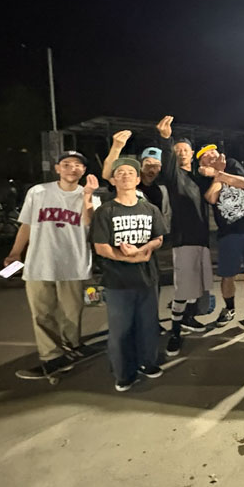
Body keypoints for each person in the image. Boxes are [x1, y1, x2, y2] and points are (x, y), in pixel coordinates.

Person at [4, 151, 100, 380]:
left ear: (83, 171)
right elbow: (26, 224)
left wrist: (87, 195)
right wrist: (15, 253)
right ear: (57, 168)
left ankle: (72, 347)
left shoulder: (90, 196)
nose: (72, 168)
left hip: (74, 263)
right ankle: (51, 356)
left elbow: (90, 223)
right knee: (42, 313)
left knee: (72, 312)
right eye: (66, 164)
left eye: (77, 165)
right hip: (39, 262)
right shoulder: (38, 192)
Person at [90, 156, 166, 391]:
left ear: (138, 179)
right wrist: (129, 257)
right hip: (117, 281)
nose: (125, 176)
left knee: (148, 326)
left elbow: (159, 238)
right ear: (113, 180)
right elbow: (101, 247)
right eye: (120, 173)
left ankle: (148, 362)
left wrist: (142, 250)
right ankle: (123, 373)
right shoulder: (105, 211)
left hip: (147, 279)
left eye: (130, 172)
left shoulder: (150, 209)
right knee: (120, 330)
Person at [156, 115, 212, 356]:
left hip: (202, 239)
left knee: (197, 286)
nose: (181, 153)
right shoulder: (173, 176)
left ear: (192, 153)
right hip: (184, 240)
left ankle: (188, 318)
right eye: (177, 150)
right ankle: (175, 331)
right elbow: (168, 160)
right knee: (182, 290)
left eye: (185, 150)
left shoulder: (199, 178)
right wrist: (165, 139)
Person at [198, 144, 244, 329]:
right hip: (228, 233)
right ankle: (229, 308)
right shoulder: (203, 178)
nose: (211, 154)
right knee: (227, 275)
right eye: (205, 155)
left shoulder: (231, 163)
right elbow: (211, 197)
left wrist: (219, 173)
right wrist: (218, 175)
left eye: (212, 151)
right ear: (201, 162)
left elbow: (243, 183)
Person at [102, 131, 172, 233]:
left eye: (156, 165)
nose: (151, 169)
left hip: (157, 236)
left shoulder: (164, 188)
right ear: (140, 165)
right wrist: (116, 147)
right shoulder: (130, 183)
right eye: (147, 163)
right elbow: (107, 175)